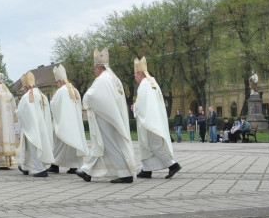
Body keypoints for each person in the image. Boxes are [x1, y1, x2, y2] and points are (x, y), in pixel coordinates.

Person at [76, 48, 136, 184]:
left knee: (110, 144)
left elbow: (93, 96)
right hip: (113, 116)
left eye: (94, 69)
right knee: (102, 144)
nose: (94, 71)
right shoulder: (114, 78)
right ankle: (88, 171)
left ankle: (125, 174)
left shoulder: (102, 79)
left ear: (98, 67)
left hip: (106, 117)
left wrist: (86, 98)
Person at [132, 57, 181, 180]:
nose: (135, 77)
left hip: (150, 121)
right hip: (155, 119)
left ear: (140, 74)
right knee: (147, 145)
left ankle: (173, 165)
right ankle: (146, 170)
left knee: (154, 145)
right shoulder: (152, 82)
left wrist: (134, 107)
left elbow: (141, 104)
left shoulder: (144, 84)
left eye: (135, 75)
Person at [49, 64, 88, 174]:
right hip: (74, 123)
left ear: (61, 81)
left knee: (57, 143)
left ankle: (54, 166)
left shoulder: (61, 91)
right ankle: (73, 166)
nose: (57, 84)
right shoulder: (75, 90)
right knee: (72, 145)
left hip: (64, 123)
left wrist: (50, 104)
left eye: (57, 82)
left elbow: (54, 105)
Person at [16, 71, 55, 178]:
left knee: (33, 147)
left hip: (32, 127)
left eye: (24, 88)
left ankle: (39, 169)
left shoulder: (26, 96)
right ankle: (25, 166)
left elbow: (20, 112)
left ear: (26, 87)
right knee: (31, 147)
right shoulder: (43, 96)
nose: (24, 90)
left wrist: (16, 113)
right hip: (43, 126)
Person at [0, 72, 17, 170]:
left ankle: (3, 163)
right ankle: (10, 161)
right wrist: (13, 120)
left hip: (0, 121)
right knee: (8, 140)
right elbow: (14, 109)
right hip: (9, 122)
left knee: (1, 140)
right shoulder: (9, 92)